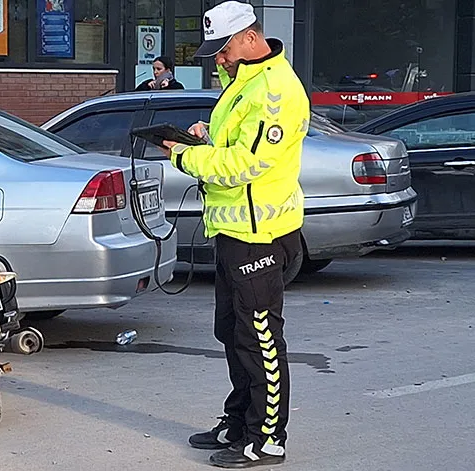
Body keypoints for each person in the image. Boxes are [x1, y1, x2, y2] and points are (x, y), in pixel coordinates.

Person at [159, 1, 309, 468]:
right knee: (232, 331)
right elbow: (236, 145)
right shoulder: (243, 83)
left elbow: (251, 163)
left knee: (260, 337)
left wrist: (187, 158)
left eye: (221, 50)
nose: (217, 60)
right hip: (232, 229)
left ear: (248, 37)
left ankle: (268, 439)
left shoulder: (276, 90)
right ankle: (239, 421)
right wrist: (207, 138)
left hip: (260, 235)